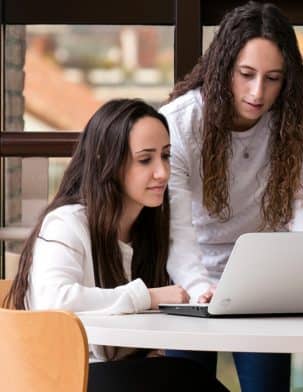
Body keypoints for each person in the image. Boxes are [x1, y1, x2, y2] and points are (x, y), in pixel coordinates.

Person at [2, 99, 226, 392]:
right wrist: (146, 296)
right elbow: (55, 301)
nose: (162, 172)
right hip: (61, 376)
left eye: (166, 156)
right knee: (187, 379)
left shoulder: (148, 228)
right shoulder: (66, 222)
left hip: (115, 372)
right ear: (106, 161)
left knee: (189, 376)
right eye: (145, 160)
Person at [159, 2, 303, 391]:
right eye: (246, 74)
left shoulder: (299, 107)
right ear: (223, 68)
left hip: (265, 282)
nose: (257, 92)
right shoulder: (179, 122)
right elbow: (176, 229)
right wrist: (200, 289)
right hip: (191, 283)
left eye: (273, 78)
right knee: (187, 385)